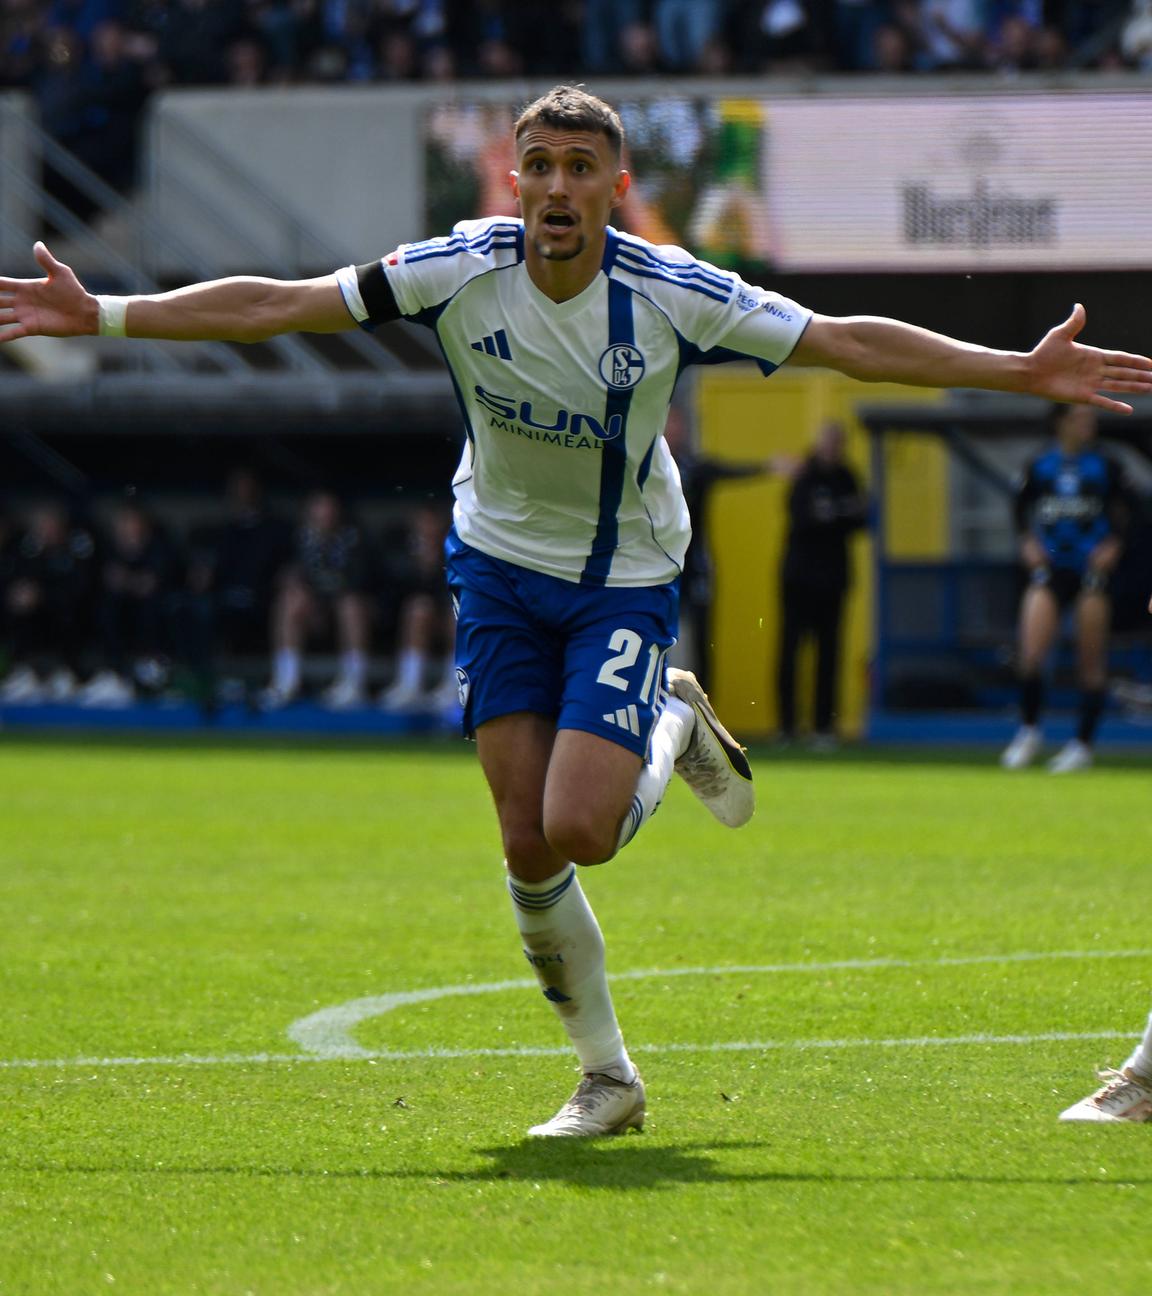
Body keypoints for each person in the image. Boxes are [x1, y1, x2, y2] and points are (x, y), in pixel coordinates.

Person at [2, 85, 1151, 1137]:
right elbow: (286, 305)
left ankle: (673, 721)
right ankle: (608, 1079)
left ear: (616, 187)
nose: (556, 187)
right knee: (523, 842)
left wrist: (1015, 371)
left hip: (623, 576)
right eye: (539, 165)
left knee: (581, 827)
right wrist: (100, 314)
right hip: (496, 567)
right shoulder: (458, 268)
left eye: (580, 168)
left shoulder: (670, 289)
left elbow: (841, 341)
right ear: (513, 179)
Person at [1000, 403, 1133, 774]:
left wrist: (1113, 547)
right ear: (1061, 422)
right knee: (1031, 652)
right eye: (1079, 417)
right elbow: (1018, 510)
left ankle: (1082, 745)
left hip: (1090, 570)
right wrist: (1027, 541)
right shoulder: (1040, 465)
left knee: (1090, 662)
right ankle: (1028, 732)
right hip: (1051, 568)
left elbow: (1130, 514)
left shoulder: (1106, 465)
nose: (1087, 423)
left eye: (1090, 417)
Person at [663, 404, 789, 691]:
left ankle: (703, 709)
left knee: (701, 638)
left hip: (696, 568)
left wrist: (767, 467)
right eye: (669, 422)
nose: (674, 429)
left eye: (678, 423)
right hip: (658, 566)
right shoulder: (646, 468)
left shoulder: (695, 468)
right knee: (660, 636)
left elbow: (728, 470)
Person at [776, 419, 868, 749]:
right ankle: (786, 727)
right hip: (799, 578)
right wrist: (835, 514)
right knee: (791, 650)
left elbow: (861, 518)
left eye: (837, 444)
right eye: (827, 442)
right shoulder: (804, 476)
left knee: (830, 654)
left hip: (834, 579)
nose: (832, 450)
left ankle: (822, 728)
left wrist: (833, 513)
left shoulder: (847, 476)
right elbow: (803, 518)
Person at [261, 489, 373, 710]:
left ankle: (354, 683)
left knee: (350, 605)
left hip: (345, 610)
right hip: (311, 610)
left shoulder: (354, 539)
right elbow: (288, 575)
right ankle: (287, 681)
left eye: (330, 507)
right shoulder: (299, 540)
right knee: (289, 601)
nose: (325, 513)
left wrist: (327, 602)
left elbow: (360, 581)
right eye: (320, 507)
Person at [378, 499, 459, 712]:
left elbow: (456, 589)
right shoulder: (402, 551)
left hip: (447, 617)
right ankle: (410, 685)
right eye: (423, 522)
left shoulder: (454, 548)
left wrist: (436, 566)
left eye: (432, 522)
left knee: (456, 611)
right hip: (407, 620)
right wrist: (420, 566)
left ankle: (452, 685)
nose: (428, 528)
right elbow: (394, 593)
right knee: (419, 609)